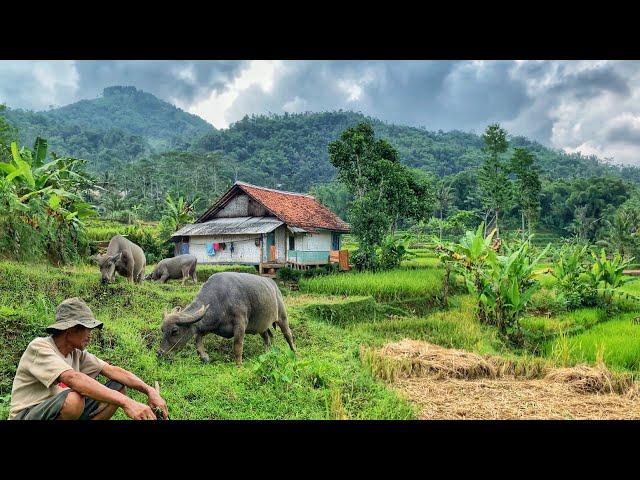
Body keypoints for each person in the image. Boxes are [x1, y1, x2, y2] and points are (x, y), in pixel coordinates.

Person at [9, 297, 168, 420]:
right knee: (74, 400)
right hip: (27, 414)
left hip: (58, 413)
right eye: (86, 329)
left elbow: (112, 371)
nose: (90, 334)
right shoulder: (40, 347)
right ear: (69, 330)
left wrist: (150, 390)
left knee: (118, 386)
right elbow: (73, 378)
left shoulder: (76, 353)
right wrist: (127, 403)